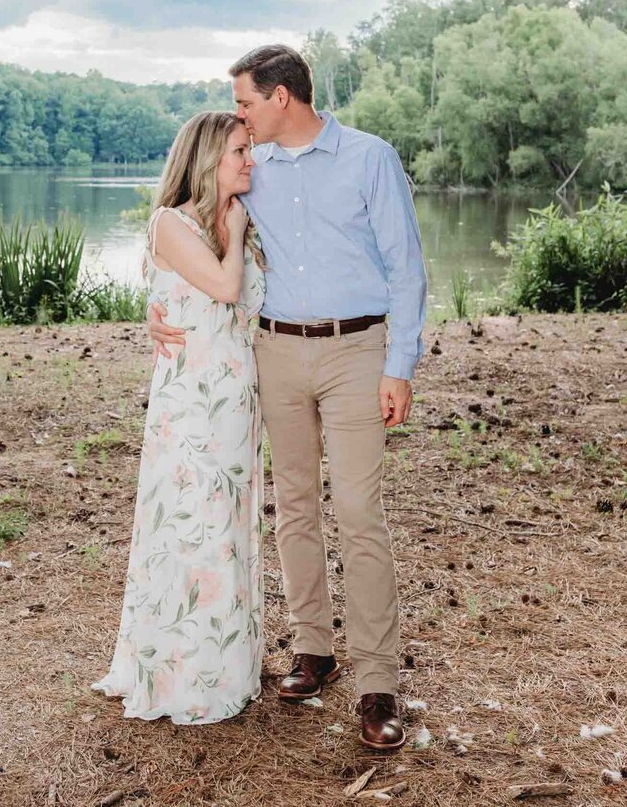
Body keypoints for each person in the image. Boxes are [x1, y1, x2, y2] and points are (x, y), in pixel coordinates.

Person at [150, 45, 427, 750]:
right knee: (294, 503)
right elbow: (182, 226)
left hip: (357, 350)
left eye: (244, 100)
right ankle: (314, 648)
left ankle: (377, 681)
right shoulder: (246, 166)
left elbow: (407, 268)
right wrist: (155, 312)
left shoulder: (369, 158)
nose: (237, 114)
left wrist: (399, 364)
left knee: (360, 510)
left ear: (281, 96)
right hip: (272, 349)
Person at [93, 111, 266, 725]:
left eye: (250, 149)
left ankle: (226, 658)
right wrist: (237, 230)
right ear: (207, 159)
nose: (251, 160)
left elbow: (244, 306)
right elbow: (221, 287)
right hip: (191, 403)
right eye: (240, 152)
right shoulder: (174, 222)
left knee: (231, 522)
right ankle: (183, 669)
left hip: (237, 401)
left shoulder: (243, 215)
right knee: (194, 520)